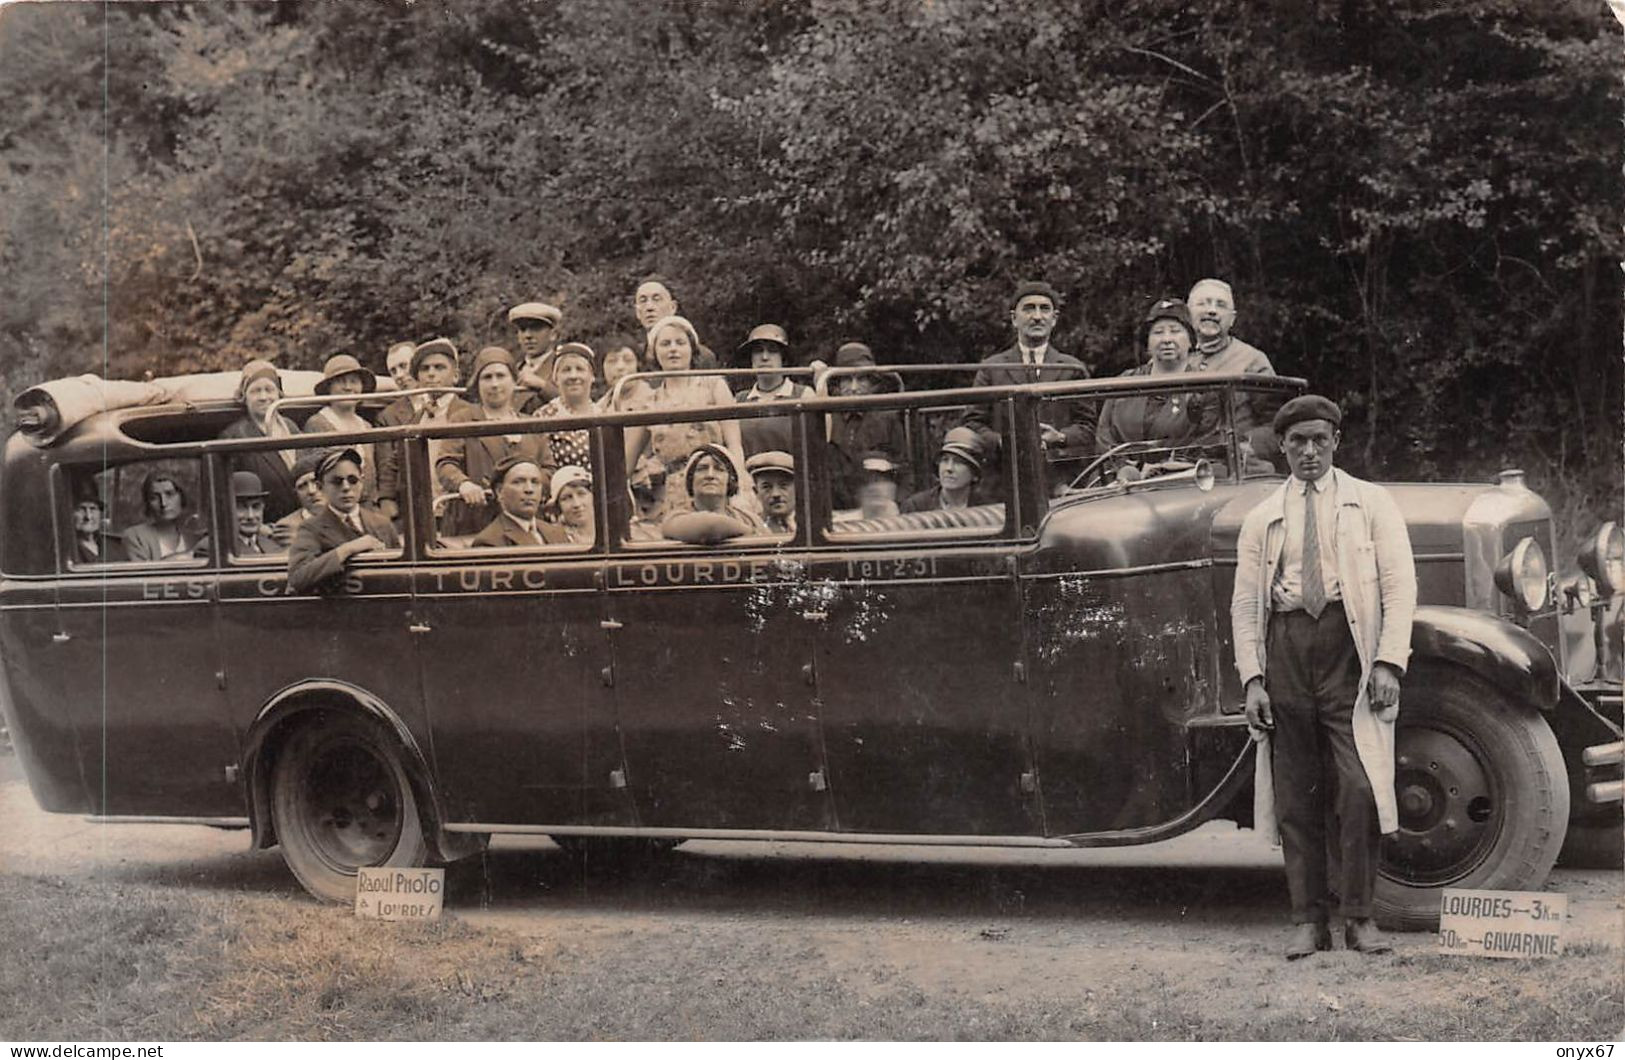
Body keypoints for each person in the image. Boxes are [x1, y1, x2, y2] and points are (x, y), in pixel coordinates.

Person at [1230, 395, 1416, 959]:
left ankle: (1360, 918)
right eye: (1296, 443)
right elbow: (1244, 604)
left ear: (1337, 441)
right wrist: (1253, 679)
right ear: (1281, 448)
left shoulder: (1371, 503)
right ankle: (1308, 921)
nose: (1308, 452)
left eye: (1318, 440)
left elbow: (1399, 587)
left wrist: (1387, 661)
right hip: (1286, 649)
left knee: (1358, 786)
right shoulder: (1263, 517)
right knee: (1296, 792)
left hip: (1348, 651)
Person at [962, 281, 1095, 478]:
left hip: (1060, 479)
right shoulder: (992, 368)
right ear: (1014, 318)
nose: (1037, 317)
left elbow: (1089, 426)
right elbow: (972, 423)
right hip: (1005, 479)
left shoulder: (1072, 368)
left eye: (1045, 309)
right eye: (1029, 309)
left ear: (1054, 318)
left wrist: (1059, 437)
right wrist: (1003, 441)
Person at [621, 315, 745, 519]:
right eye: (665, 344)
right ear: (654, 353)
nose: (673, 349)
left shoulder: (714, 386)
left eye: (680, 343)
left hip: (716, 483)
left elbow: (734, 444)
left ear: (691, 349)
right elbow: (626, 463)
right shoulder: (650, 402)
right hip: (676, 493)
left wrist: (740, 488)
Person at [437, 346, 557, 537]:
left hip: (525, 522)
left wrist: (523, 488)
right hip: (474, 520)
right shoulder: (463, 419)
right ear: (477, 383)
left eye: (501, 376)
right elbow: (446, 463)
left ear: (513, 380)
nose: (494, 384)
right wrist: (464, 484)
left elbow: (549, 470)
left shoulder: (531, 424)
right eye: (487, 377)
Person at [1095, 298, 1211, 451]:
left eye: (1175, 331)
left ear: (1191, 341)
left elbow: (1210, 446)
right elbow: (1104, 439)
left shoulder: (1206, 387)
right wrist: (1123, 470)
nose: (1167, 339)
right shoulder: (1124, 384)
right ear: (1148, 343)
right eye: (1158, 332)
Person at [374, 338, 469, 521]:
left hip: (460, 508)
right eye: (425, 369)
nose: (431, 374)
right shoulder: (417, 418)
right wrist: (386, 499)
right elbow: (395, 460)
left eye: (439, 368)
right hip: (424, 511)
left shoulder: (468, 413)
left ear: (455, 375)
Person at [288, 448, 401, 595]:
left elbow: (400, 574)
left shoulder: (382, 524)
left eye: (353, 480)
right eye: (337, 482)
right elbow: (297, 577)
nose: (346, 488)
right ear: (321, 487)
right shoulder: (311, 528)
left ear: (362, 482)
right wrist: (348, 549)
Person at [824, 342, 909, 509]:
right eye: (847, 379)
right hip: (836, 511)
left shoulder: (887, 420)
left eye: (861, 379)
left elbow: (905, 473)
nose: (854, 388)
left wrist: (897, 507)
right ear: (838, 385)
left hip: (879, 510)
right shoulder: (828, 420)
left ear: (872, 384)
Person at [1187, 278, 1275, 437]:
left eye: (1221, 305)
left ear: (1232, 319)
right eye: (1203, 303)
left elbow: (1273, 423)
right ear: (1188, 312)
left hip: (1237, 457)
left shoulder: (1253, 361)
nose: (1212, 311)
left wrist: (1246, 450)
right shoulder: (1172, 360)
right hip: (1178, 458)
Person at [218, 358, 302, 523]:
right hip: (262, 528)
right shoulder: (234, 436)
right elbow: (224, 495)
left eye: (269, 390)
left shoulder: (291, 428)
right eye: (256, 391)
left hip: (303, 523)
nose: (264, 397)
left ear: (279, 394)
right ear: (244, 397)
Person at [303, 354, 379, 506]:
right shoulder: (317, 424)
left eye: (354, 382)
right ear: (329, 389)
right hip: (335, 506)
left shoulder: (367, 426)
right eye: (340, 382)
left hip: (368, 507)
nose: (348, 387)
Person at [659, 443, 766, 543]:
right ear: (690, 480)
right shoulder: (674, 519)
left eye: (719, 469)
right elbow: (711, 526)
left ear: (731, 480)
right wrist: (750, 532)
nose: (710, 475)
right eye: (702, 469)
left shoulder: (749, 519)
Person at [734, 324, 809, 457]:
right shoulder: (740, 400)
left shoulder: (802, 394)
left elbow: (815, 447)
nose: (764, 357)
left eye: (772, 351)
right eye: (758, 351)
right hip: (748, 475)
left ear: (783, 358)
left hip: (792, 475)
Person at [469, 457, 568, 548]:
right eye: (518, 482)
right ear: (499, 491)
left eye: (535, 482)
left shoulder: (557, 533)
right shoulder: (490, 542)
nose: (529, 489)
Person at [532, 342, 598, 472]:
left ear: (592, 376)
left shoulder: (604, 413)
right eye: (566, 370)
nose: (573, 376)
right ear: (555, 378)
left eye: (580, 369)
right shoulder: (543, 417)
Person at [632, 276, 719, 369]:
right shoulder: (634, 357)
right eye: (643, 301)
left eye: (656, 299)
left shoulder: (702, 356)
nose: (649, 307)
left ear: (673, 307)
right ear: (637, 312)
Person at [123, 471, 204, 562]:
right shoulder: (135, 536)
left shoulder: (194, 539)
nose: (163, 503)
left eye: (169, 494)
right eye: (154, 497)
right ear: (148, 503)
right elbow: (141, 573)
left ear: (182, 496)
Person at [901, 428, 985, 513]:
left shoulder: (985, 507)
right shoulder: (916, 506)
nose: (949, 468)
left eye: (958, 462)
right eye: (945, 460)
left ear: (975, 475)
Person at [509, 301, 563, 409]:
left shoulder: (562, 366)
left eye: (536, 328)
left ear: (553, 335)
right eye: (523, 329)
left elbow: (576, 404)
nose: (528, 335)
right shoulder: (514, 370)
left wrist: (542, 385)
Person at [272, 450, 327, 545]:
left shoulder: (349, 516)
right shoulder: (287, 526)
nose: (311, 491)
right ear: (296, 493)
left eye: (315, 481)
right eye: (302, 486)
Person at [224, 470, 282, 557]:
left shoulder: (272, 545)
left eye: (256, 507)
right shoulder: (214, 550)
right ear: (227, 510)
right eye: (242, 508)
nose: (250, 516)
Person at [746, 451, 796, 535]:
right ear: (756, 492)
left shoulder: (811, 524)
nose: (775, 494)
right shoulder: (752, 528)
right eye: (766, 487)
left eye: (783, 486)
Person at [70, 489, 124, 564]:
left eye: (93, 509)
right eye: (81, 509)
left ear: (100, 514)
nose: (88, 517)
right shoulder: (64, 552)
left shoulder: (115, 547)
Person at [595, 337, 651, 409]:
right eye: (612, 361)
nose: (620, 367)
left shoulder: (656, 400)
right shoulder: (598, 409)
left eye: (628, 360)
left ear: (638, 365)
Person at [549, 464, 595, 545]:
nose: (576, 504)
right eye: (567, 498)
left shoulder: (614, 532)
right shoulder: (554, 539)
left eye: (581, 494)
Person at [854, 454, 902, 519]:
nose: (874, 487)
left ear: (893, 486)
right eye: (867, 479)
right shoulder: (843, 524)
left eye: (882, 479)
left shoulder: (910, 523)